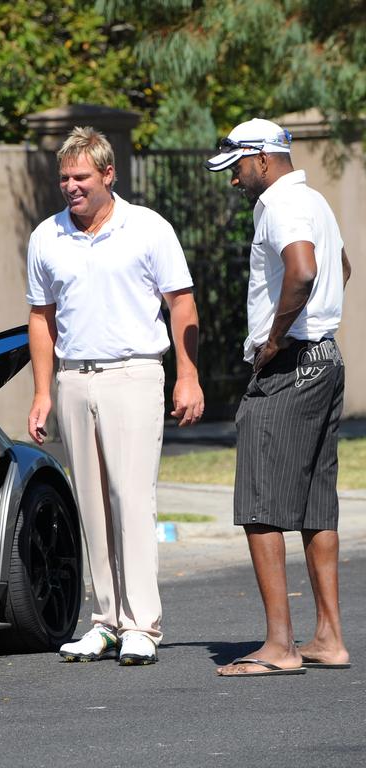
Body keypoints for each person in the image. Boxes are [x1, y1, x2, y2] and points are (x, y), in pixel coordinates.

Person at [27, 126, 204, 666]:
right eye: (64, 178)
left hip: (135, 373)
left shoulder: (148, 228)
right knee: (91, 505)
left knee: (132, 498)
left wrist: (188, 376)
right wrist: (42, 392)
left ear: (108, 174)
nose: (71, 187)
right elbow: (41, 318)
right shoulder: (46, 236)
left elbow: (182, 305)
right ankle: (105, 620)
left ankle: (142, 626)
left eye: (81, 177)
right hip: (74, 378)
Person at [205, 118, 353, 677]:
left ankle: (280, 646)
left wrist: (274, 337)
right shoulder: (314, 201)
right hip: (325, 360)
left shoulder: (282, 206)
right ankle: (329, 638)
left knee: (261, 504)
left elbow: (306, 269)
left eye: (238, 169)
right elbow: (341, 269)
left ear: (263, 158)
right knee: (316, 507)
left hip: (291, 365)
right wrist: (315, 321)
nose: (234, 181)